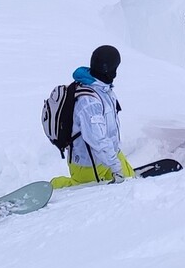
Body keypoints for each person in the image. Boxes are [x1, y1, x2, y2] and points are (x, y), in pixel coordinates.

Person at [52, 45, 136, 188]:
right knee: (82, 188)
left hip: (109, 154)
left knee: (129, 180)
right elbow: (97, 139)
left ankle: (122, 171)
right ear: (108, 69)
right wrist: (116, 167)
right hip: (88, 163)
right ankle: (54, 186)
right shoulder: (89, 101)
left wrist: (115, 162)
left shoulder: (104, 89)